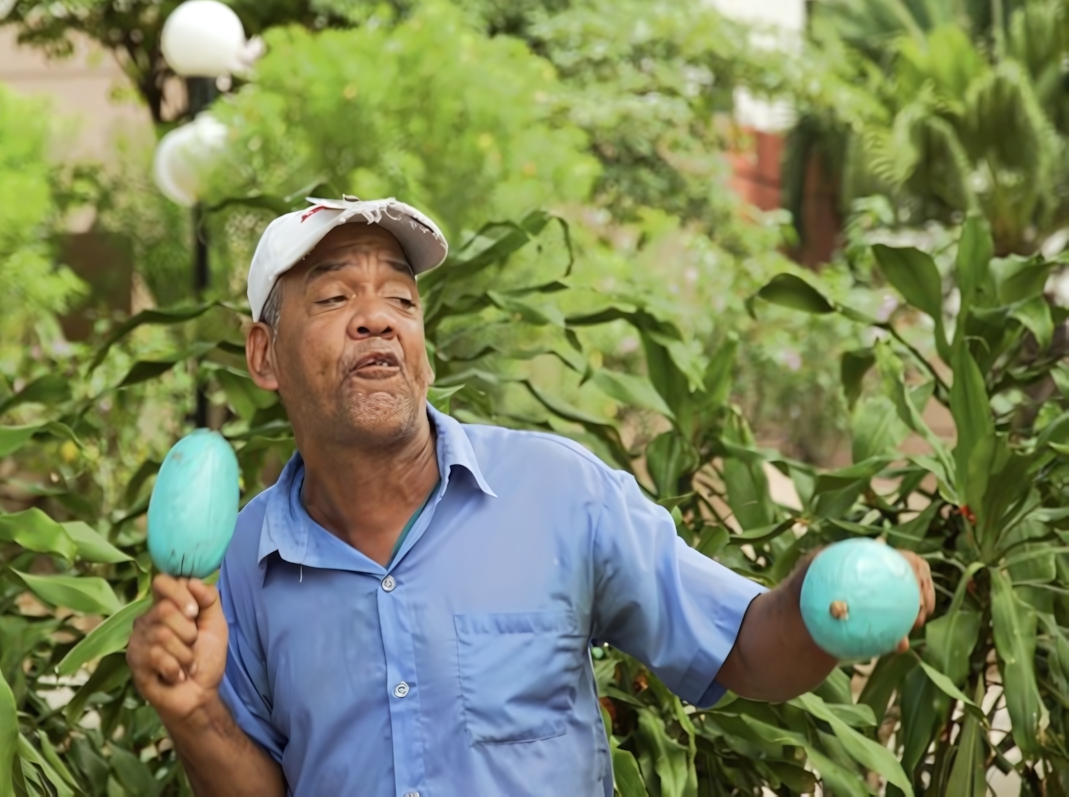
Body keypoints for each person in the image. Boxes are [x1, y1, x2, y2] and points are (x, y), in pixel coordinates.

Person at [126, 196, 934, 796]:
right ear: (264, 356)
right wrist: (193, 712)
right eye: (335, 298)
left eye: (401, 300)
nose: (378, 319)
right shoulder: (238, 564)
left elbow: (748, 647)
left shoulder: (559, 493)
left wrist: (823, 589)